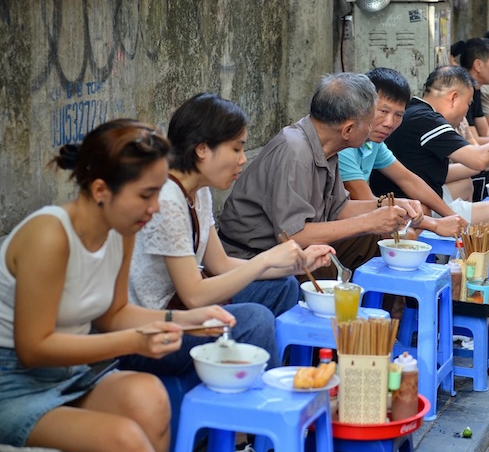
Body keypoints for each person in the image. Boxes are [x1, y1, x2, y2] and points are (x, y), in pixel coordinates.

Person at [0, 120, 232, 452]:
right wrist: (135, 342)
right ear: (99, 190)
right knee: (124, 439)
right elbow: (32, 348)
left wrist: (184, 320)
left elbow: (114, 314)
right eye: (145, 194)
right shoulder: (49, 236)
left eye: (158, 192)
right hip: (8, 387)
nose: (155, 207)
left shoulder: (120, 230)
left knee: (151, 398)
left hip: (72, 376)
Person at [123, 93, 334, 378]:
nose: (243, 160)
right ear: (201, 150)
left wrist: (297, 265)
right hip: (154, 331)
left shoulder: (199, 192)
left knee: (283, 285)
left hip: (183, 308)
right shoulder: (168, 199)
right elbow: (195, 296)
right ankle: (261, 407)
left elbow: (220, 265)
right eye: (236, 149)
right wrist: (266, 259)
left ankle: (277, 376)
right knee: (255, 320)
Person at [370, 65, 489, 330]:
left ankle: (457, 274)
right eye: (468, 103)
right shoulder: (426, 120)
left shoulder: (417, 116)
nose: (466, 112)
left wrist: (486, 164)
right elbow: (477, 156)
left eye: (396, 114)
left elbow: (422, 176)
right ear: (453, 97)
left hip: (415, 204)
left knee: (464, 184)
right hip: (408, 214)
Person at [218, 73, 422, 280]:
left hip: (293, 244)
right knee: (326, 265)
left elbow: (338, 208)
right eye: (369, 123)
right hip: (253, 255)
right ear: (348, 129)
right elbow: (294, 236)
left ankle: (382, 310)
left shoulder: (327, 146)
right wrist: (369, 222)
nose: (372, 129)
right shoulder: (295, 154)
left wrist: (388, 205)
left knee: (384, 240)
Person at [338, 68, 468, 238]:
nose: (390, 123)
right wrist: (436, 225)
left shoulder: (373, 143)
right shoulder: (345, 145)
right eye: (383, 111)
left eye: (398, 115)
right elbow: (366, 200)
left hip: (364, 215)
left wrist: (452, 217)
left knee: (421, 211)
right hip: (340, 223)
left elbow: (408, 179)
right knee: (409, 235)